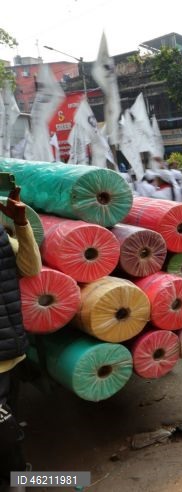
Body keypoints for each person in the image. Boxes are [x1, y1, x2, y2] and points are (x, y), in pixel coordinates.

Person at [0, 185, 42, 490]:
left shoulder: (2, 239)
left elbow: (31, 268)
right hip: (8, 348)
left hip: (6, 353)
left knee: (4, 421)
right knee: (5, 419)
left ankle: (18, 478)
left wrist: (21, 223)